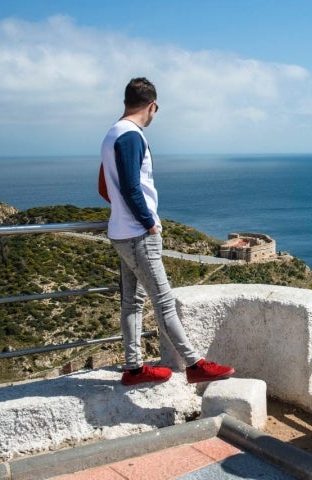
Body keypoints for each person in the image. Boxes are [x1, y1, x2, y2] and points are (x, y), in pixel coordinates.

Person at [100, 77, 234, 386]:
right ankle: (194, 363)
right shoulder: (132, 136)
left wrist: (123, 210)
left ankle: (134, 368)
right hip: (138, 233)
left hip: (121, 231)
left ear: (125, 102)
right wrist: (148, 221)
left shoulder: (111, 134)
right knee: (163, 301)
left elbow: (106, 187)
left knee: (132, 303)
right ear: (152, 106)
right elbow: (132, 188)